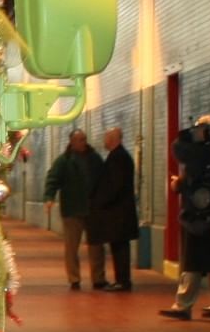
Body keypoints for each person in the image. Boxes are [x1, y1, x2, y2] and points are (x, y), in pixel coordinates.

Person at [162, 115, 210, 319]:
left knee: (191, 263)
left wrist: (178, 183)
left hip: (197, 218)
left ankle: (183, 305)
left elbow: (178, 150)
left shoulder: (197, 156)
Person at [42, 127, 104, 290]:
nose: (84, 142)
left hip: (93, 209)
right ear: (72, 142)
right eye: (80, 139)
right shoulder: (64, 161)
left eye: (84, 139)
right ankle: (74, 278)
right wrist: (49, 198)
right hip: (72, 209)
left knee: (96, 246)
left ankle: (98, 278)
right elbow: (53, 179)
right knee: (71, 247)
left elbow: (104, 179)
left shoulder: (95, 159)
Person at [88, 125, 140, 291]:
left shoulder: (118, 158)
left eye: (106, 138)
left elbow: (114, 186)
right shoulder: (118, 156)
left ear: (113, 140)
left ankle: (123, 281)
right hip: (119, 213)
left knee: (120, 248)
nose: (104, 141)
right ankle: (121, 279)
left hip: (118, 213)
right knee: (118, 247)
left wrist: (100, 202)